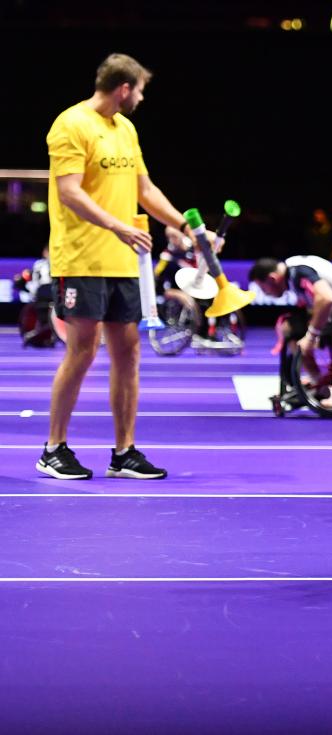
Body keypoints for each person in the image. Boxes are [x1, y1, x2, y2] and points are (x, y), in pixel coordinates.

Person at [39, 53, 216, 480]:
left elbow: (145, 189)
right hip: (82, 256)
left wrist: (186, 228)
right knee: (82, 351)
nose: (140, 97)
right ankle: (53, 448)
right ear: (124, 88)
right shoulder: (71, 125)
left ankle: (124, 452)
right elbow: (70, 193)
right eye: (139, 90)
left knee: (129, 352)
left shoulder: (126, 130)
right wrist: (119, 227)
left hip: (123, 260)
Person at [250, 255, 332, 407]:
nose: (265, 293)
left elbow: (327, 299)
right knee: (289, 325)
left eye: (263, 288)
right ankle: (309, 383)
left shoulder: (298, 271)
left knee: (292, 330)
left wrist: (311, 337)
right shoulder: (293, 271)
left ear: (272, 279)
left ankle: (319, 386)